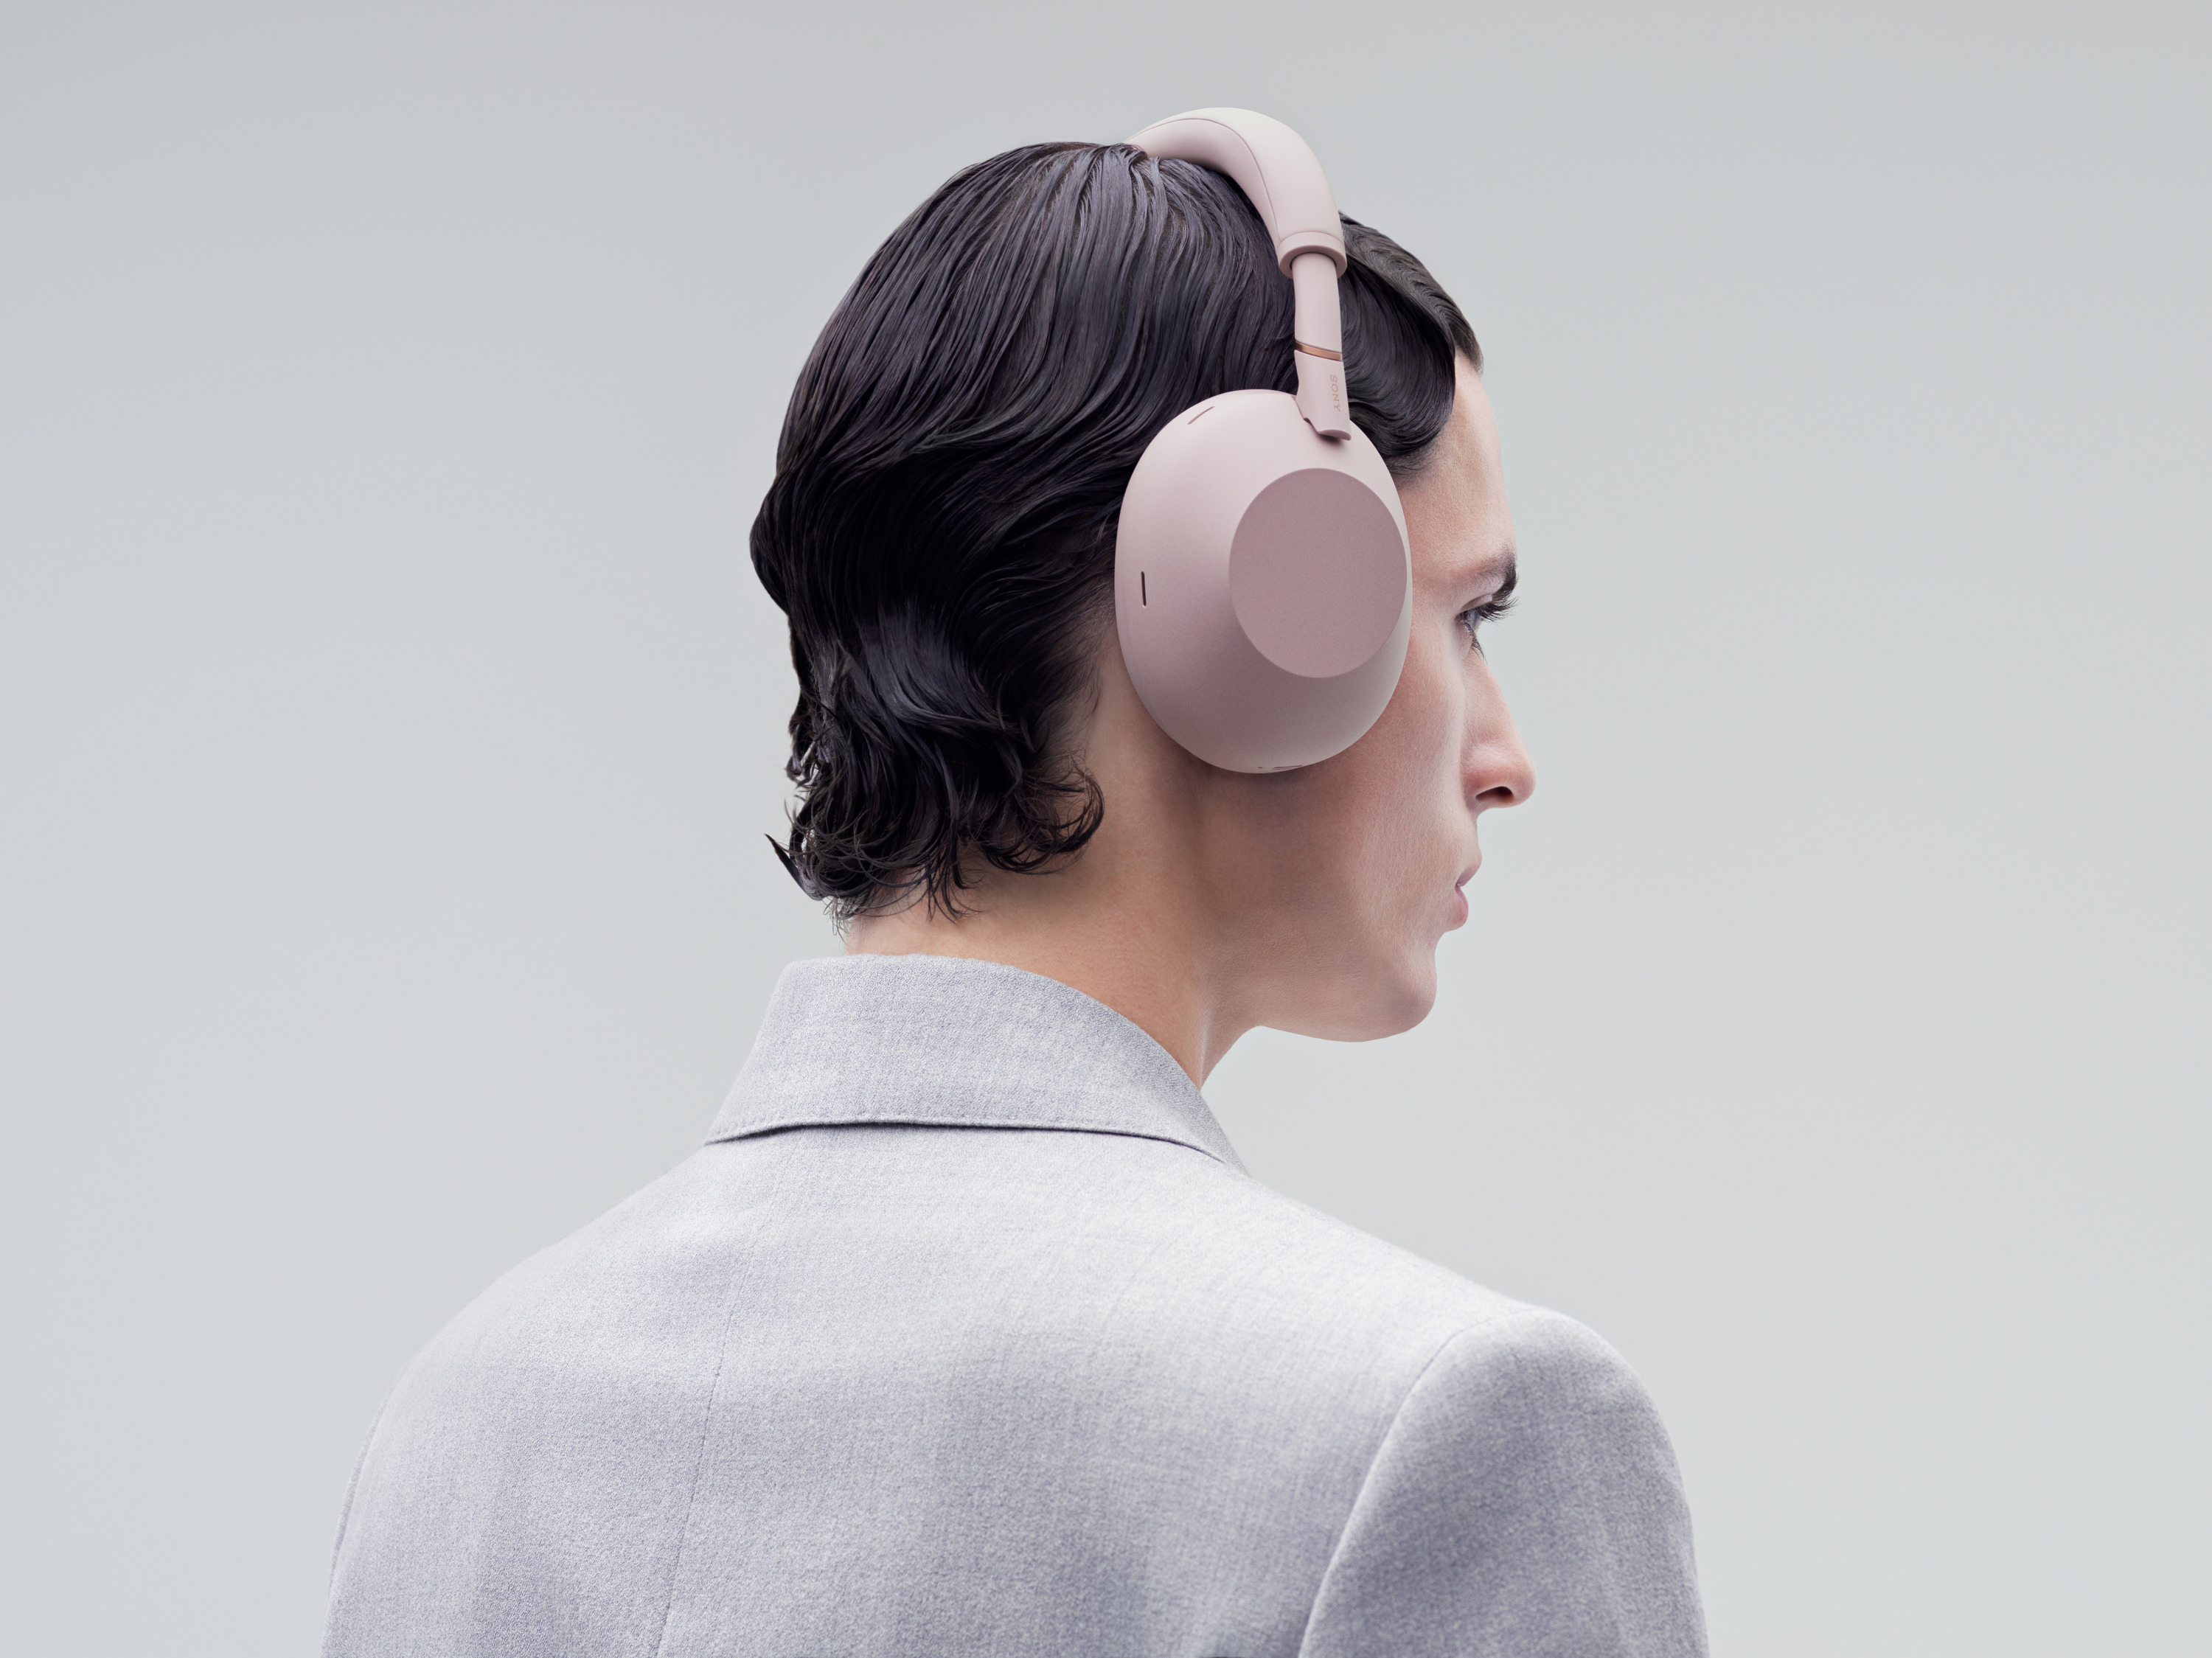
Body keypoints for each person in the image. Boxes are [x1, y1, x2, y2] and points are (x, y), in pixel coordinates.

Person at [324, 115, 1706, 1657]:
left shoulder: (456, 1424)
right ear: (1266, 607)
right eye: (1463, 617)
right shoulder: (1452, 1435)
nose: (1509, 759)